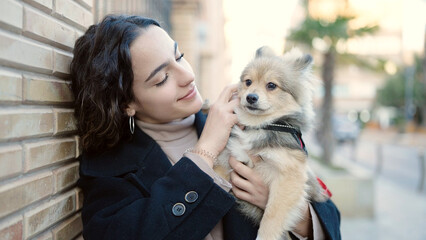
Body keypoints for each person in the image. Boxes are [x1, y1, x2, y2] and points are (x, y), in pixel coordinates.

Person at [71, 14, 341, 240]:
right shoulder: (109, 167)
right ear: (126, 103)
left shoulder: (250, 126)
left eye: (180, 57)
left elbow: (330, 215)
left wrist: (294, 216)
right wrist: (206, 151)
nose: (188, 75)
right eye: (163, 77)